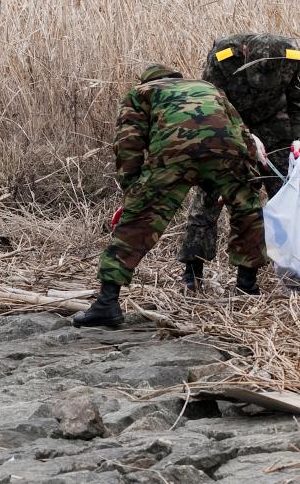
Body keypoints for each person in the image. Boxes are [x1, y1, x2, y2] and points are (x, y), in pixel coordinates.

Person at [73, 64, 269, 329]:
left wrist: (133, 193)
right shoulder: (209, 88)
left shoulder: (141, 92)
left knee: (139, 222)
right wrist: (250, 180)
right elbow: (241, 131)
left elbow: (128, 143)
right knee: (247, 213)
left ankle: (107, 303)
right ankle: (247, 288)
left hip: (174, 154)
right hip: (227, 151)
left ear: (146, 79)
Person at [179, 34, 300, 290]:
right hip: (227, 125)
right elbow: (209, 103)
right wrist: (242, 135)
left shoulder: (293, 56)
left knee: (287, 194)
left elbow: (297, 100)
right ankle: (193, 271)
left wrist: (298, 140)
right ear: (244, 53)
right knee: (208, 195)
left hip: (274, 125)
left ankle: (288, 267)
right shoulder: (223, 57)